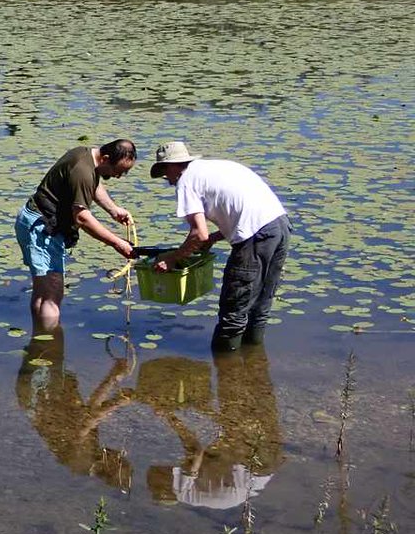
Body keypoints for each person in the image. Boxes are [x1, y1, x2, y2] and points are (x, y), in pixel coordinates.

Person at [150, 141, 291, 352]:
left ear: (173, 166)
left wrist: (171, 259)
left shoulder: (186, 181)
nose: (167, 180)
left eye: (164, 172)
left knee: (233, 309)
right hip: (280, 226)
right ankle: (253, 368)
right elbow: (237, 210)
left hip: (257, 237)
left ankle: (226, 369)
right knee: (260, 307)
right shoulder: (215, 167)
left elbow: (199, 232)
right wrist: (214, 239)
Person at [15, 140, 137, 330]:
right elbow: (82, 218)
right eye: (118, 170)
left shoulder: (87, 156)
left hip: (36, 221)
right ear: (105, 158)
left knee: (43, 292)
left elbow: (92, 184)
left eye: (124, 173)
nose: (119, 176)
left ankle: (39, 342)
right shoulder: (82, 169)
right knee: (52, 295)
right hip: (41, 227)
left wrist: (113, 209)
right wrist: (117, 243)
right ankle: (50, 348)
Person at [140, 349, 284, 509]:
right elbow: (196, 450)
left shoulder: (194, 493)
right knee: (238, 395)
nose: (165, 468)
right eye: (159, 473)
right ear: (164, 487)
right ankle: (237, 354)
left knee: (254, 398)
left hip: (267, 464)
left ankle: (252, 356)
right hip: (256, 463)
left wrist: (204, 411)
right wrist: (169, 417)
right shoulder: (181, 491)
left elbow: (207, 450)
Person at [15, 327, 134, 492]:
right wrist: (114, 378)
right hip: (42, 390)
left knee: (47, 328)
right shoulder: (90, 458)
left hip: (39, 389)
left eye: (120, 458)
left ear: (111, 465)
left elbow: (91, 417)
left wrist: (117, 400)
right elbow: (93, 408)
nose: (120, 452)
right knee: (47, 327)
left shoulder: (82, 459)